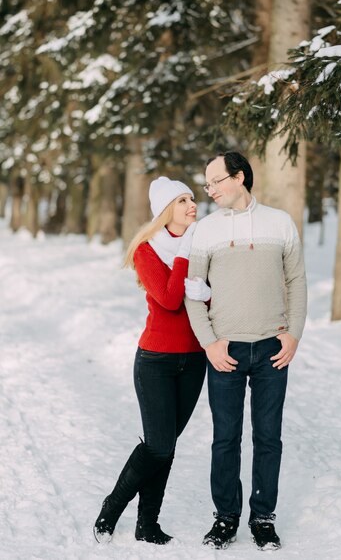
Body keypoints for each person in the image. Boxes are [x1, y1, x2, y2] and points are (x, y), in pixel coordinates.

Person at [184, 151, 307, 551]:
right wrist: (209, 343)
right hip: (226, 351)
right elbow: (193, 294)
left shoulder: (280, 223)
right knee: (226, 438)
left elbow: (297, 282)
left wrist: (294, 334)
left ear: (239, 178)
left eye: (215, 181)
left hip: (273, 347)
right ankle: (225, 517)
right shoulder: (205, 230)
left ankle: (263, 517)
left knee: (269, 437)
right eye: (207, 184)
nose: (210, 190)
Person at [94, 177, 207, 545]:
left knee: (166, 445)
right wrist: (184, 253)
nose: (193, 204)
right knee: (157, 445)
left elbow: (210, 299)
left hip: (194, 361)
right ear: (164, 211)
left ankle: (148, 525)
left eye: (192, 198)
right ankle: (111, 509)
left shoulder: (202, 245)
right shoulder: (147, 250)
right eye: (182, 200)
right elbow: (172, 300)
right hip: (156, 361)